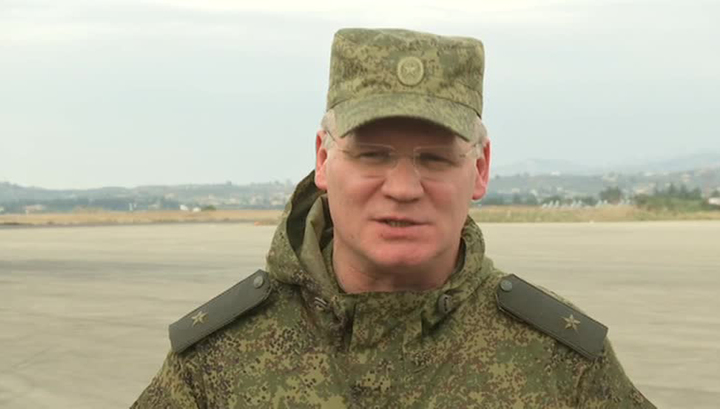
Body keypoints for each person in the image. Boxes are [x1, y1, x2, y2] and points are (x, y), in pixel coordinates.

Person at [131, 28, 655, 408]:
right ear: (323, 159)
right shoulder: (218, 360)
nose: (403, 189)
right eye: (372, 155)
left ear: (479, 169)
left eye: (435, 159)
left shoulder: (560, 363)